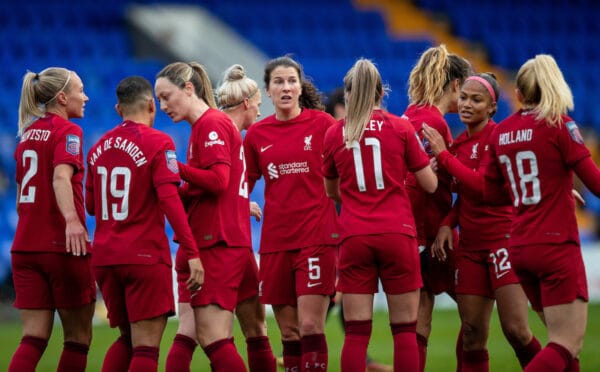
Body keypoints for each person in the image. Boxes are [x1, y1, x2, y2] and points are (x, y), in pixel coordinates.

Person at [476, 54, 599, 372]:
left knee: (564, 348)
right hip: (555, 245)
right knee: (567, 343)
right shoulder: (559, 125)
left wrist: (549, 186)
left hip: (519, 247)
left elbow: (491, 194)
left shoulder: (500, 133)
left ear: (517, 94)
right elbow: (595, 184)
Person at [322, 58, 437, 372]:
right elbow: (429, 185)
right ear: (380, 92)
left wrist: (359, 200)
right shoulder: (400, 127)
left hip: (355, 234)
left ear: (349, 95)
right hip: (397, 233)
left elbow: (331, 191)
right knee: (404, 331)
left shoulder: (335, 133)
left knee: (356, 334)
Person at [422, 73, 542, 370]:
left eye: (476, 100)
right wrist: (448, 222)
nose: (466, 104)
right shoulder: (459, 144)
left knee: (516, 330)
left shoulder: (500, 137)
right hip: (471, 250)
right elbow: (466, 197)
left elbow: (483, 189)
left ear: (491, 107)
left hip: (503, 244)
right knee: (472, 336)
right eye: (463, 97)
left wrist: (444, 157)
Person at [85, 76, 204, 372]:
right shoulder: (158, 142)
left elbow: (90, 206)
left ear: (118, 109)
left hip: (105, 257)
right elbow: (169, 201)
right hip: (143, 256)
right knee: (146, 347)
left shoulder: (97, 147)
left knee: (127, 339)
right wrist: (192, 251)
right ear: (152, 104)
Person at [156, 61, 261, 372]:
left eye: (166, 96)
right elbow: (219, 185)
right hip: (228, 237)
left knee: (211, 335)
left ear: (189, 88)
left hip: (217, 241)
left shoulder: (211, 124)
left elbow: (217, 181)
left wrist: (173, 168)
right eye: (158, 99)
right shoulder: (209, 125)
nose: (162, 106)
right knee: (243, 331)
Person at [243, 56, 340, 371]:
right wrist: (240, 201)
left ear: (300, 87)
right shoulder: (257, 134)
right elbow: (242, 183)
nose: (286, 87)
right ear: (268, 91)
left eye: (291, 81)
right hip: (275, 243)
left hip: (317, 238)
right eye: (278, 82)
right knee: (289, 332)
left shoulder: (324, 125)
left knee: (312, 326)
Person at [9, 67, 96, 372]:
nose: (85, 97)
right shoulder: (68, 131)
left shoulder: (26, 135)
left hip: (25, 247)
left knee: (33, 338)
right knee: (78, 338)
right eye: (80, 90)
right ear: (62, 98)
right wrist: (72, 221)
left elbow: (22, 198)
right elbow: (61, 177)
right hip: (62, 246)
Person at [402, 44, 472, 371]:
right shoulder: (436, 124)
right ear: (456, 85)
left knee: (421, 321)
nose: (469, 100)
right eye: (467, 91)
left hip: (410, 234)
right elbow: (430, 184)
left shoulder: (408, 115)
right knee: (477, 311)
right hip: (432, 234)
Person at [323, 86, 393, 372]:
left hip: (348, 224)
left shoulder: (345, 134)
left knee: (344, 301)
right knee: (337, 297)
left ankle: (359, 360)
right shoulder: (334, 135)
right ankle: (305, 345)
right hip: (338, 224)